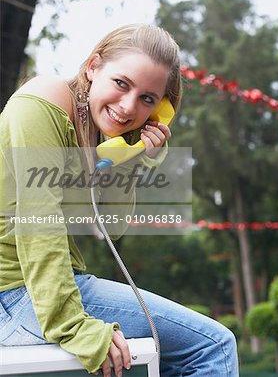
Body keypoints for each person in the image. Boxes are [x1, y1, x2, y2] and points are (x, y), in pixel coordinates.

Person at [0, 24, 239, 376]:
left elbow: (111, 227)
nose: (128, 107)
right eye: (121, 83)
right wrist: (73, 325)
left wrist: (132, 155)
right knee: (212, 347)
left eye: (147, 99)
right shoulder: (43, 100)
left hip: (36, 293)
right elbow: (39, 222)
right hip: (16, 295)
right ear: (93, 67)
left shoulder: (99, 138)